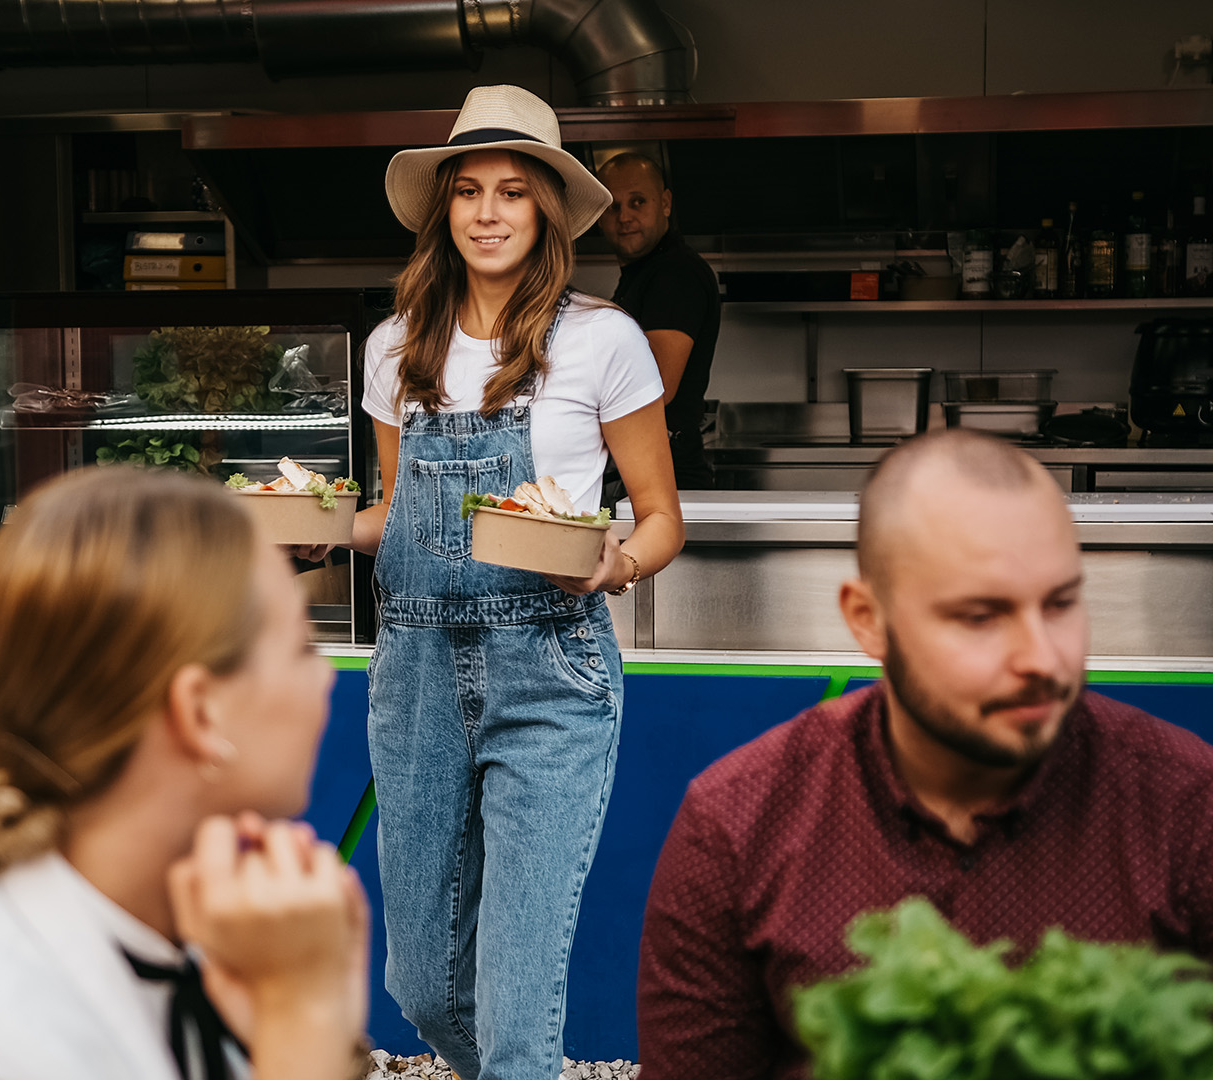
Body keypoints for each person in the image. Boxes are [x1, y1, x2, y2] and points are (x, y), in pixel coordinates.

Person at [635, 429, 1213, 1080]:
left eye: (1060, 604)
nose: (1042, 659)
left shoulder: (1188, 805)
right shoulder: (738, 826)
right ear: (868, 619)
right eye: (979, 616)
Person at [339, 84, 686, 1080]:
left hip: (551, 671)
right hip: (414, 679)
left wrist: (619, 556)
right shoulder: (395, 346)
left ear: (545, 214)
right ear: (443, 210)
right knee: (423, 989)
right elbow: (396, 509)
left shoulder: (603, 341)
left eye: (514, 192)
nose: (489, 213)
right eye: (470, 192)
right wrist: (317, 530)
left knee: (517, 1009)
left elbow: (661, 516)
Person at [0, 467, 371, 1080]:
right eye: (301, 648)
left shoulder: (212, 946)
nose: (324, 678)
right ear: (199, 712)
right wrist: (306, 1028)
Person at [595, 151, 721, 492]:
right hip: (649, 472)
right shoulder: (642, 274)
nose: (624, 217)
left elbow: (656, 387)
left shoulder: (675, 274)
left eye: (638, 202)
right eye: (612, 206)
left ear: (665, 203)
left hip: (669, 479)